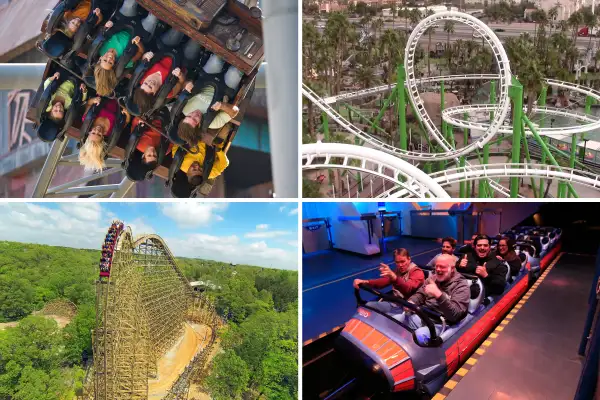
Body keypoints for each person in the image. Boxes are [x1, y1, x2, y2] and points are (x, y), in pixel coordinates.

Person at [383, 254, 470, 345]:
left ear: (452, 269)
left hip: (442, 323)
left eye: (442, 267)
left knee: (419, 336)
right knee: (393, 321)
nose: (438, 270)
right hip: (424, 316)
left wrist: (438, 295)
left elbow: (454, 315)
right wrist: (412, 302)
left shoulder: (461, 285)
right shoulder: (432, 278)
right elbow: (420, 294)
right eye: (437, 266)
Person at [94, 20, 146, 96]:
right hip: (137, 32)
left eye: (105, 60)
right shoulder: (125, 61)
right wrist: (138, 42)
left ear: (100, 58)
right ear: (113, 65)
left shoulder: (101, 49)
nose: (109, 58)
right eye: (110, 62)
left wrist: (106, 26)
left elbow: (104, 31)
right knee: (151, 20)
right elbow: (141, 52)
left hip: (122, 22)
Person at [78, 97, 131, 171]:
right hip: (122, 100)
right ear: (102, 139)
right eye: (99, 135)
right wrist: (127, 114)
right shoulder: (112, 132)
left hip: (105, 93)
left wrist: (94, 100)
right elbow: (126, 121)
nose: (97, 130)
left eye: (93, 132)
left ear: (89, 133)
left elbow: (88, 104)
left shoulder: (87, 119)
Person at [353, 248, 425, 300]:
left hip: (408, 305)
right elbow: (382, 282)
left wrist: (395, 278)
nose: (400, 265)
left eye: (403, 261)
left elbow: (408, 289)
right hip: (397, 301)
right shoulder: (397, 271)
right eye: (397, 262)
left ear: (409, 259)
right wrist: (364, 282)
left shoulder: (417, 272)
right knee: (370, 306)